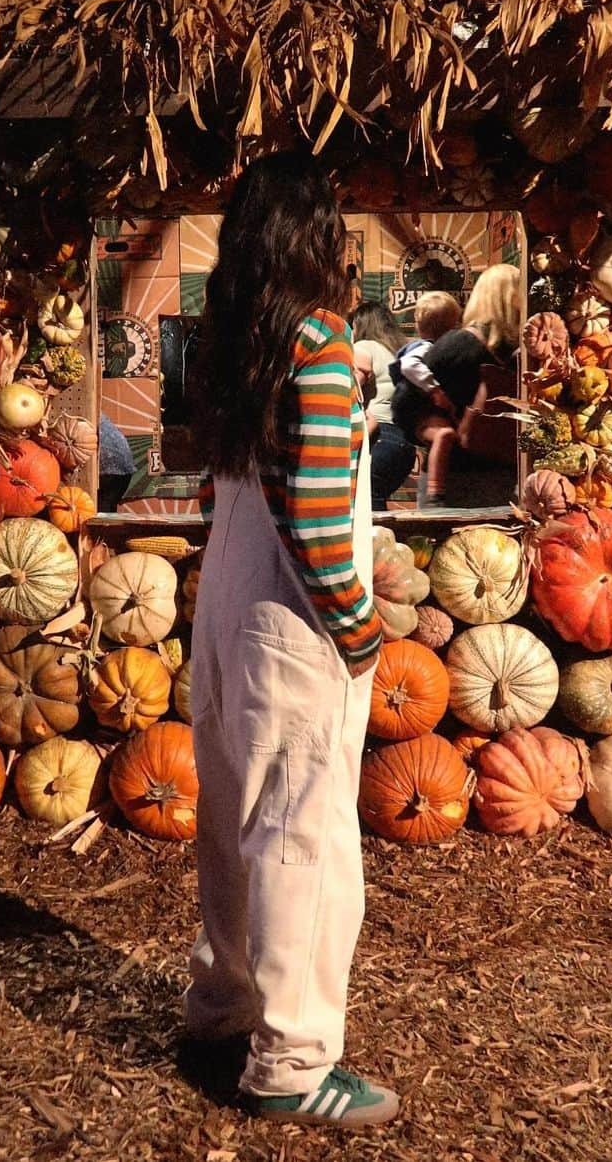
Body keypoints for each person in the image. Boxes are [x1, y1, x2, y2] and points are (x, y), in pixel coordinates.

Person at [184, 151, 399, 1129]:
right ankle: (294, 1059)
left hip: (226, 600)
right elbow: (315, 520)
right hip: (292, 614)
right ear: (316, 239)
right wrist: (362, 631)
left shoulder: (231, 340)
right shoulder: (317, 341)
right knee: (303, 835)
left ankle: (220, 1006)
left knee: (233, 815)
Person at [391, 264, 521, 506]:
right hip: (506, 474)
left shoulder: (459, 344)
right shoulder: (523, 353)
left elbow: (402, 403)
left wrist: (430, 426)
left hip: (451, 477)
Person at [388, 291, 463, 507]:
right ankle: (435, 491)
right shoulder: (426, 347)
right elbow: (409, 365)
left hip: (419, 409)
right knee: (444, 435)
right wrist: (434, 389)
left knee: (447, 434)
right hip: (413, 408)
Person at [348, 300, 414, 510]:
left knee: (368, 506)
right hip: (403, 445)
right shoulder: (398, 353)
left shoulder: (364, 346)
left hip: (379, 438)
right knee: (376, 500)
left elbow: (360, 373)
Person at [96, 412, 137, 513]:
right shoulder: (97, 412)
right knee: (108, 508)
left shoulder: (88, 414)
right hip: (125, 468)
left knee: (102, 511)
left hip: (110, 469)